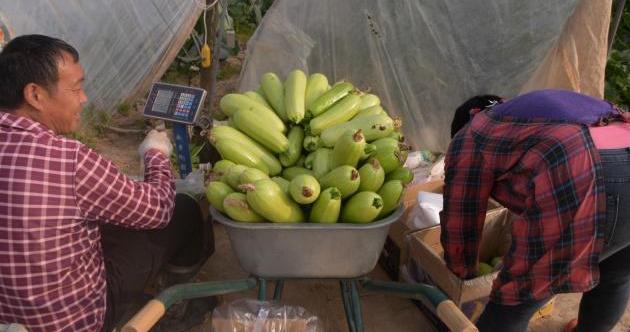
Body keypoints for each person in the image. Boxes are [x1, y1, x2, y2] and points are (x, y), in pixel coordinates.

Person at [0, 34, 208, 331]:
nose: (83, 98)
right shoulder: (69, 160)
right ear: (35, 95)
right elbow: (157, 209)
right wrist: (156, 155)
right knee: (182, 210)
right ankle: (179, 301)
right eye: (76, 88)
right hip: (75, 322)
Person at [441, 89, 630, 332]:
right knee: (615, 276)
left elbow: (461, 219)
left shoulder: (471, 135)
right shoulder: (525, 114)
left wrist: (462, 273)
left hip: (593, 175)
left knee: (514, 300)